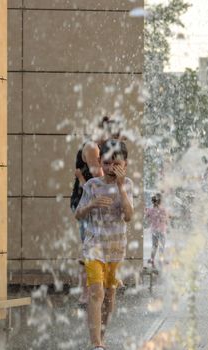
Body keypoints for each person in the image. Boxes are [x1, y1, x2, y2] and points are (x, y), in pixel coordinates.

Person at [75, 139, 134, 350]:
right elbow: (78, 213)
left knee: (109, 295)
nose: (110, 168)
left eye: (116, 164)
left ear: (125, 164)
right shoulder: (92, 185)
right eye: (107, 164)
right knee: (96, 292)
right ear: (100, 162)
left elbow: (128, 216)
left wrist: (121, 189)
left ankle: (101, 334)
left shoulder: (127, 185)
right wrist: (91, 204)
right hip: (94, 246)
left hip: (115, 249)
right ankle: (96, 345)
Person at [70, 116, 121, 305]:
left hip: (95, 201)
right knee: (90, 245)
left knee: (100, 241)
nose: (113, 142)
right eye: (112, 137)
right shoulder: (92, 147)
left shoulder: (101, 149)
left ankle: (99, 285)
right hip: (84, 202)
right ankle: (85, 293)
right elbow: (99, 177)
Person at [145, 193, 168, 269]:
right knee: (162, 246)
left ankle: (152, 260)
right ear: (160, 201)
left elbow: (146, 217)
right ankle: (161, 260)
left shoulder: (150, 210)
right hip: (162, 230)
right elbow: (166, 219)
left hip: (154, 231)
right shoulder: (163, 210)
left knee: (154, 246)